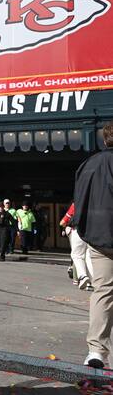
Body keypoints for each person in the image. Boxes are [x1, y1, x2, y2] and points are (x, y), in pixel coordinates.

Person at [72, 121, 113, 369]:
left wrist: (84, 230)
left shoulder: (88, 164)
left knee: (103, 291)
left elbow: (79, 199)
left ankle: (96, 350)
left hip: (98, 238)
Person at [60, 203, 93, 290]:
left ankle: (83, 276)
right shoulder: (93, 202)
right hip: (91, 233)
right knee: (88, 257)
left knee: (77, 255)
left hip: (77, 232)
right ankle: (92, 281)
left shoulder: (76, 204)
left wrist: (66, 226)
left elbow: (63, 222)